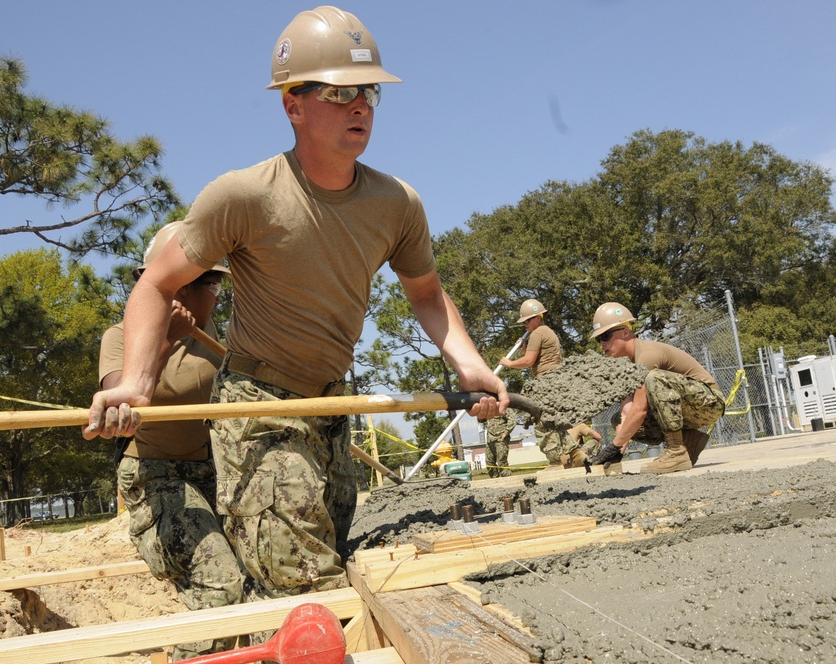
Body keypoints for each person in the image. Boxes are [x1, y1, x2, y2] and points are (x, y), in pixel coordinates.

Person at [84, 6, 507, 601]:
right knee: (307, 582)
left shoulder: (397, 204)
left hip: (333, 407)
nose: (360, 105)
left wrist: (470, 367)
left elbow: (427, 294)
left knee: (315, 556)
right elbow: (155, 282)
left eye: (368, 92)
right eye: (339, 92)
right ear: (293, 103)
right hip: (259, 412)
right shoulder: (244, 196)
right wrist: (134, 383)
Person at [99, 222, 246, 659]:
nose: (214, 298)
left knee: (260, 571)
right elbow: (119, 400)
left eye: (217, 288)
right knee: (220, 582)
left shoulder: (216, 339)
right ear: (176, 288)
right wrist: (165, 341)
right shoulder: (121, 337)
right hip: (157, 474)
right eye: (210, 288)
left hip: (214, 473)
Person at [591, 302, 725, 474]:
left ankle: (676, 450)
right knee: (618, 420)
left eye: (606, 336)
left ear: (625, 332)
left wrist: (614, 445)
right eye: (598, 339)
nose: (601, 343)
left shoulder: (647, 355)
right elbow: (627, 413)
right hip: (688, 406)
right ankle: (686, 441)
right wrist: (615, 452)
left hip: (710, 402)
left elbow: (639, 410)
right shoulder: (627, 366)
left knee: (653, 378)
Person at [498, 299, 600, 470]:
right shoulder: (547, 332)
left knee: (543, 424)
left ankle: (556, 462)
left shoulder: (538, 333)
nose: (525, 324)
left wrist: (509, 363)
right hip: (555, 381)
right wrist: (524, 348)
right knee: (554, 423)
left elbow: (529, 361)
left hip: (546, 383)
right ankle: (575, 455)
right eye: (524, 322)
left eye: (528, 320)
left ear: (538, 317)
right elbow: (540, 357)